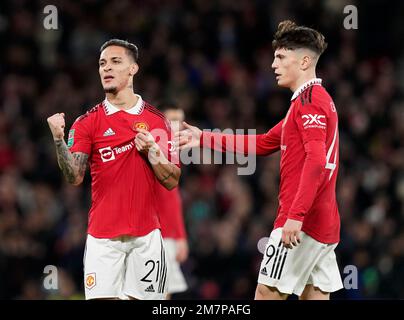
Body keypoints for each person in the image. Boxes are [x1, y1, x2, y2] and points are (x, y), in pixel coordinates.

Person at [176, 20, 343, 300]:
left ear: (303, 61)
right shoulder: (310, 101)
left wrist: (296, 216)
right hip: (323, 224)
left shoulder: (309, 102)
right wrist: (203, 138)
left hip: (303, 222)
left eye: (280, 57)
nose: (273, 65)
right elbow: (263, 143)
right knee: (314, 297)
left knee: (266, 294)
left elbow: (316, 160)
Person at [46, 39, 181, 300]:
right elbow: (74, 176)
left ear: (133, 69)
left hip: (147, 238)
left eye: (116, 62)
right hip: (103, 238)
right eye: (102, 63)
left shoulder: (157, 122)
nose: (106, 68)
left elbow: (172, 179)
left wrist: (153, 152)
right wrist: (58, 140)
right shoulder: (87, 122)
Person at [156, 103, 189, 299]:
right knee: (160, 290)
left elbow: (172, 200)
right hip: (158, 233)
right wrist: (178, 237)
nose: (177, 126)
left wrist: (180, 235)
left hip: (165, 233)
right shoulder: (157, 153)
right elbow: (166, 200)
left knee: (162, 290)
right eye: (172, 121)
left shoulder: (171, 153)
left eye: (180, 121)